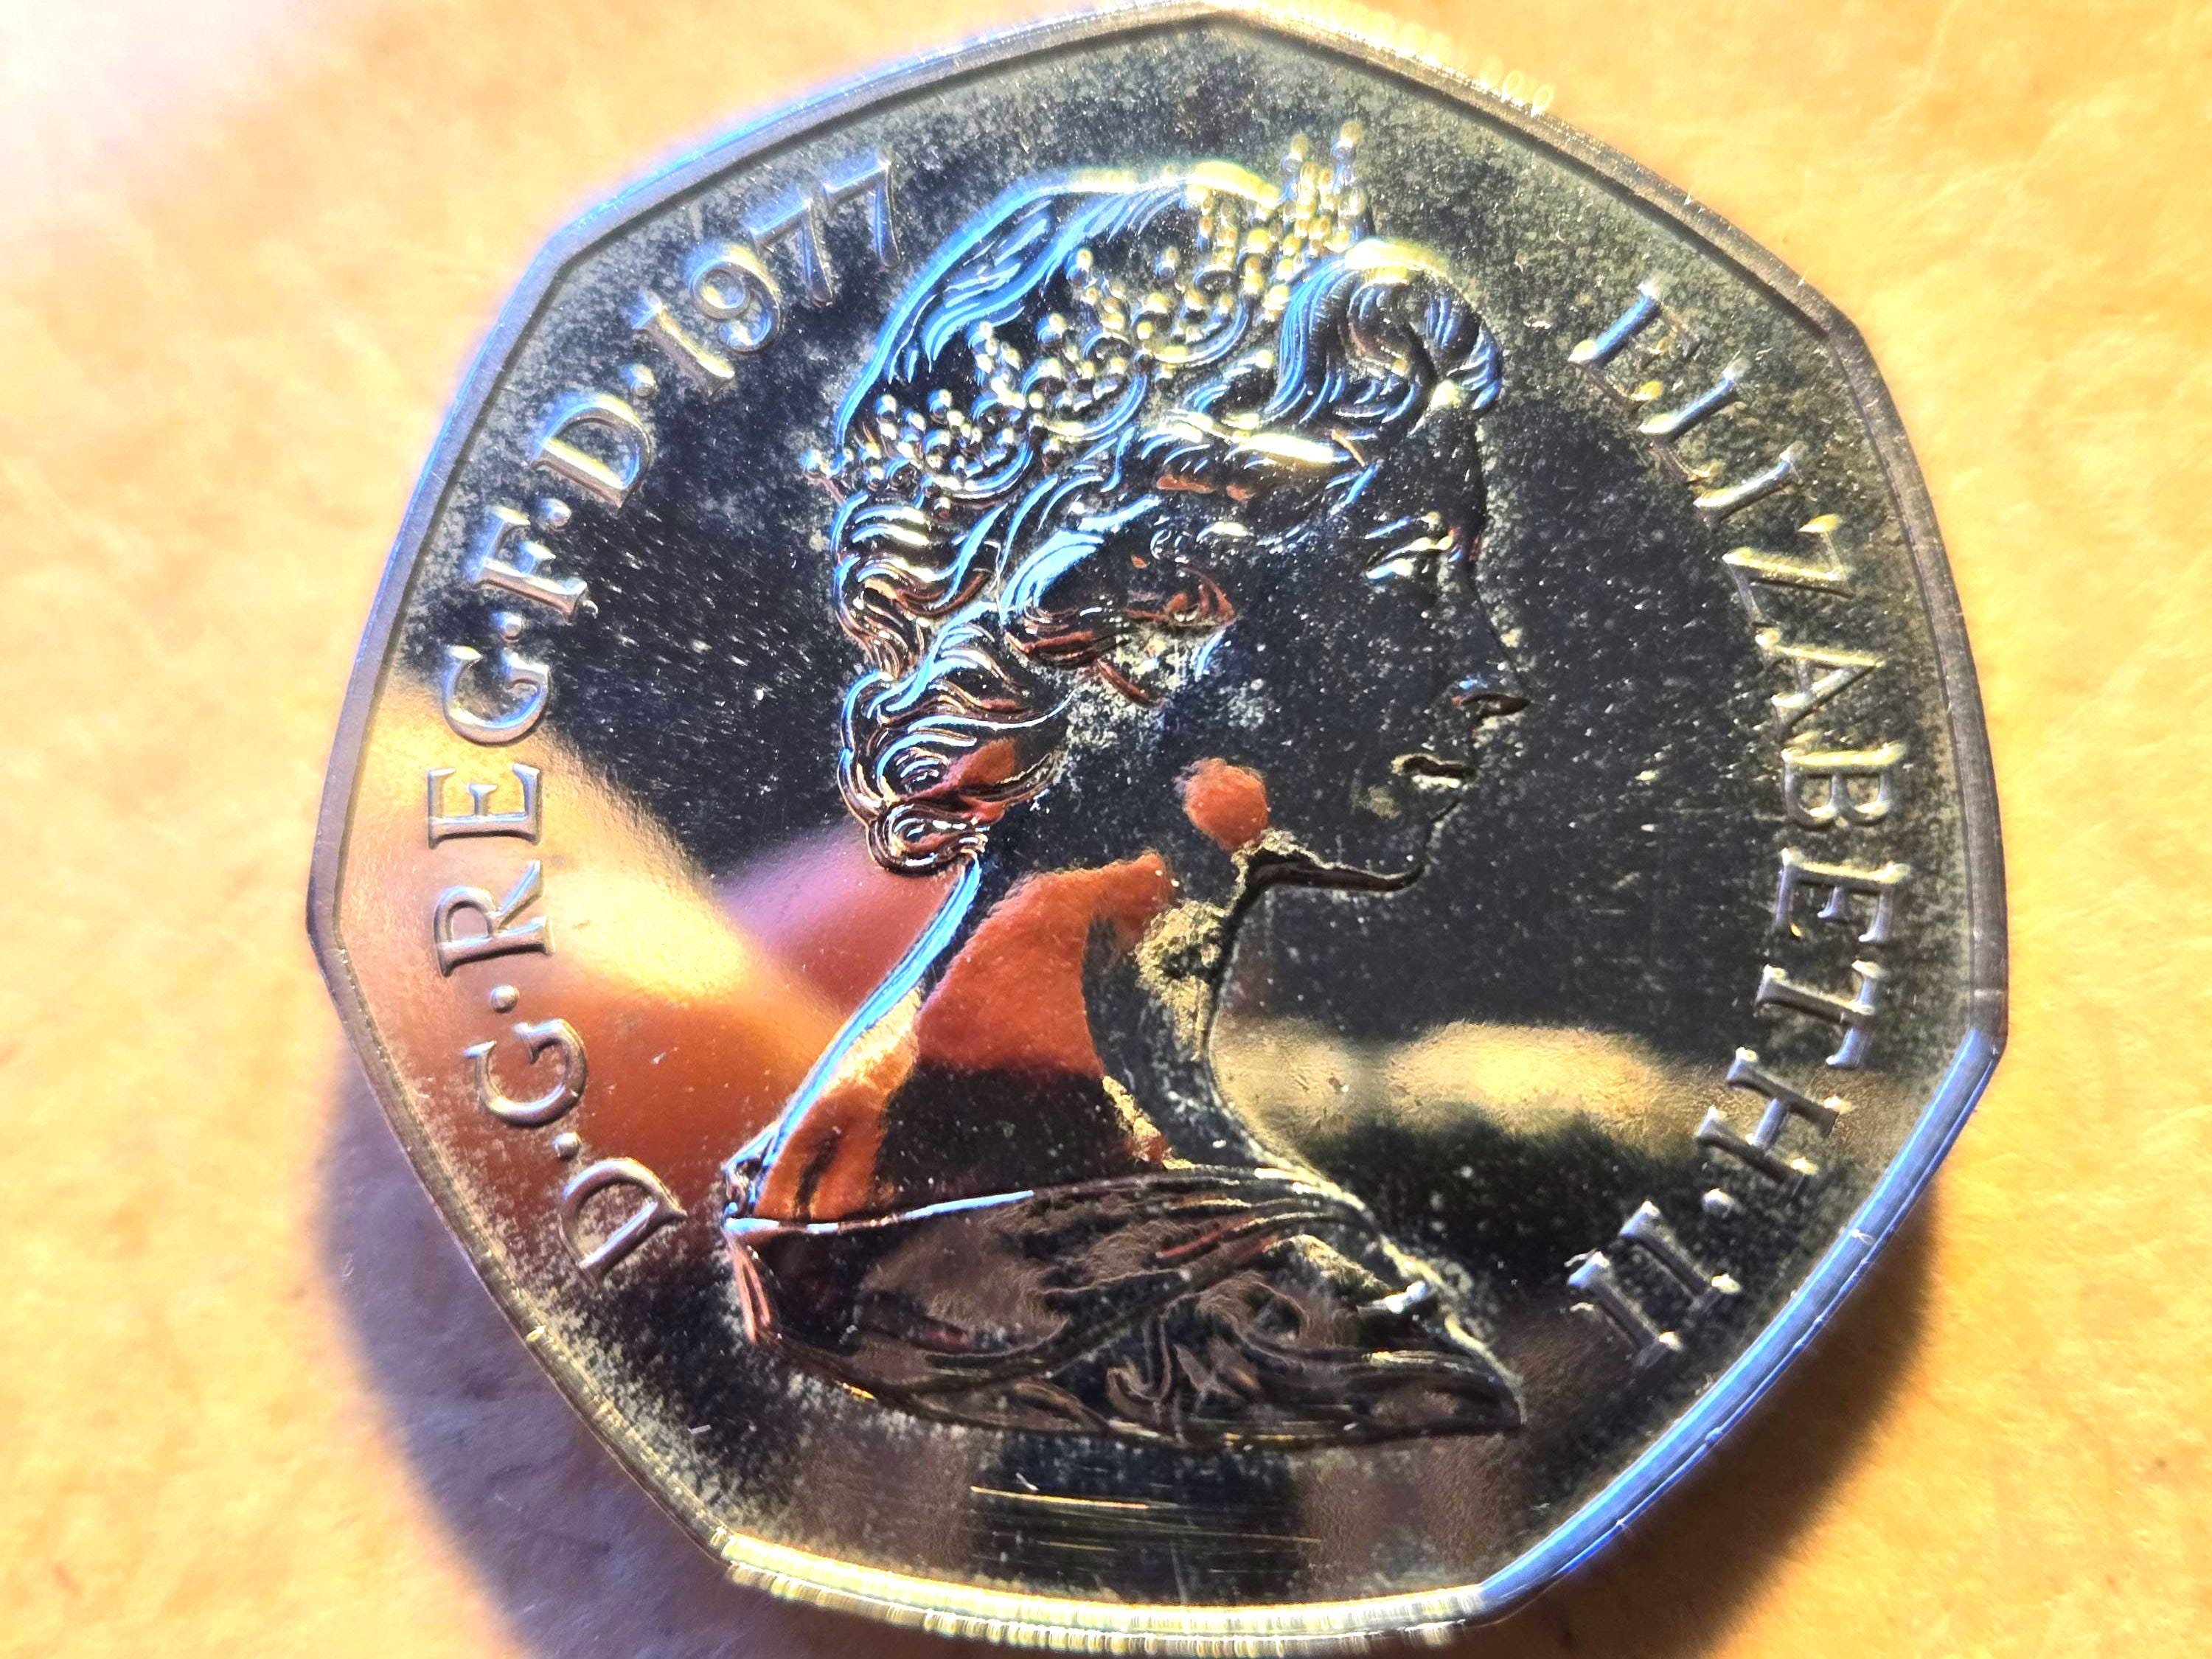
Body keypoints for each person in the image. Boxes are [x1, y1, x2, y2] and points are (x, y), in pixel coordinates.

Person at [722, 127, 1529, 1447]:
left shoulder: (1109, 1166)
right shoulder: (959, 1226)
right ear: (1161, 612)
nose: (1492, 671)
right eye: (1417, 580)